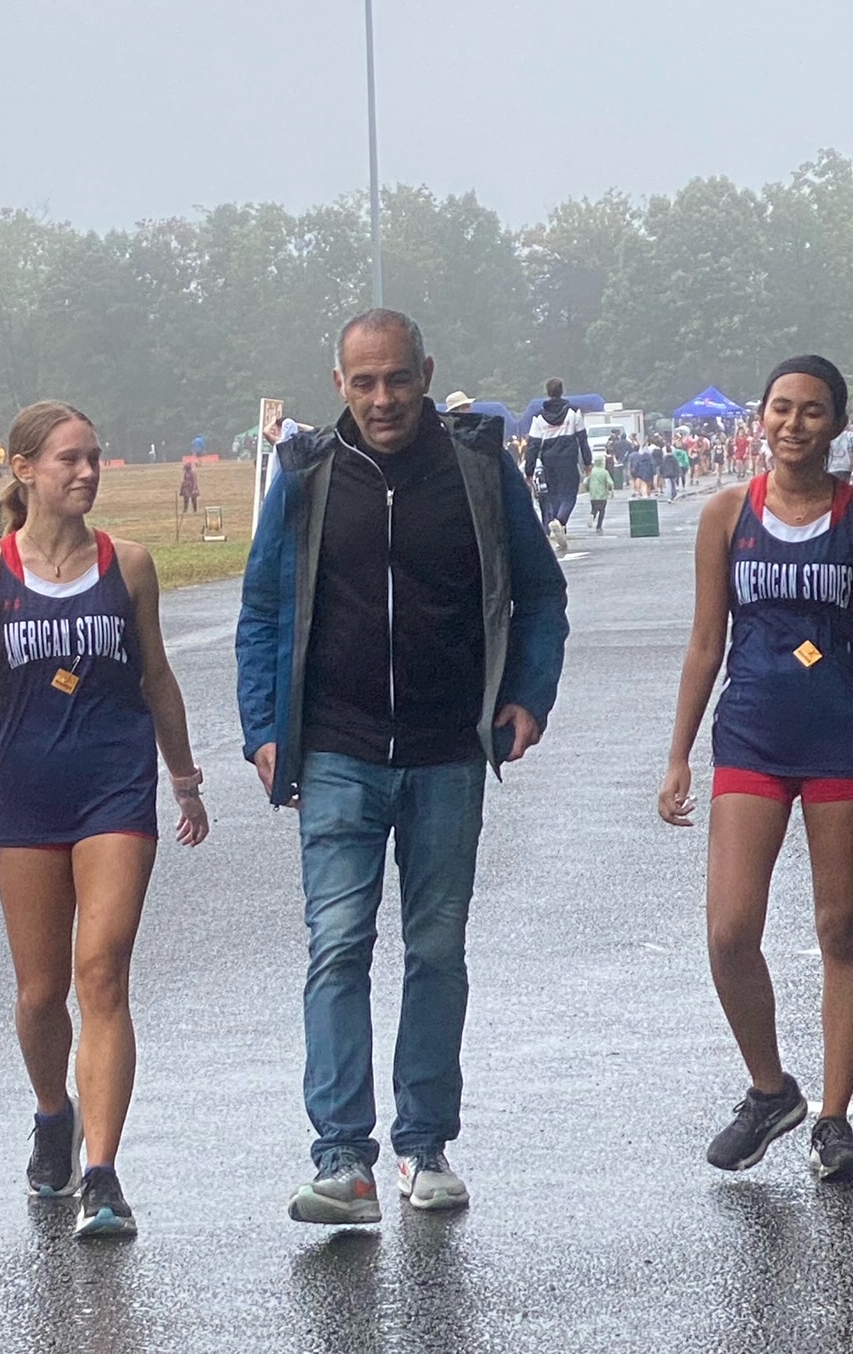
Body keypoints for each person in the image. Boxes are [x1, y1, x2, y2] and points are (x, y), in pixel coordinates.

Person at [236, 308, 569, 1224]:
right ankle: (342, 1159)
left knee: (435, 950)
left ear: (426, 371)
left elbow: (539, 592)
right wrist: (263, 726)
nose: (382, 399)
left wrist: (529, 695)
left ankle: (425, 1147)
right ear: (338, 384)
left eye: (397, 379)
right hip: (336, 750)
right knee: (337, 948)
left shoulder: (477, 469)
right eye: (363, 382)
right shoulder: (304, 476)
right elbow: (263, 607)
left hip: (446, 753)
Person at [658, 355, 853, 1183]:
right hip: (750, 739)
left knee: (841, 927)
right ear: (760, 418)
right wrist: (678, 754)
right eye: (781, 408)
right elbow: (707, 641)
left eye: (812, 411)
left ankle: (833, 1120)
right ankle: (769, 1088)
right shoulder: (725, 515)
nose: (793, 424)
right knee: (729, 929)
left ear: (837, 425)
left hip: (841, 741)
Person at [0, 400, 209, 1239]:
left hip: (114, 791)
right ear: (24, 470)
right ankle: (52, 1114)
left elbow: (157, 676)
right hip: (26, 795)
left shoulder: (128, 565)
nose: (87, 472)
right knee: (39, 991)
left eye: (93, 457)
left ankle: (102, 1171)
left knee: (102, 972)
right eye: (69, 460)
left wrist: (185, 777)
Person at [524, 378, 592, 551]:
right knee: (569, 494)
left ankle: (555, 526)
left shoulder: (539, 416)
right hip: (568, 458)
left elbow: (533, 445)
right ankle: (559, 522)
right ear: (562, 391)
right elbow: (582, 439)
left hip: (548, 460)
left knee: (553, 494)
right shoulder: (573, 412)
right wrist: (587, 461)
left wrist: (529, 470)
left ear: (548, 392)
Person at [585, 455, 614, 534]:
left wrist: (588, 488)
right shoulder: (604, 472)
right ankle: (599, 526)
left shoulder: (591, 472)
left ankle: (592, 515)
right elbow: (610, 482)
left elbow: (585, 482)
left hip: (593, 494)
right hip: (602, 495)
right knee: (602, 511)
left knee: (594, 508)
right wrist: (611, 490)